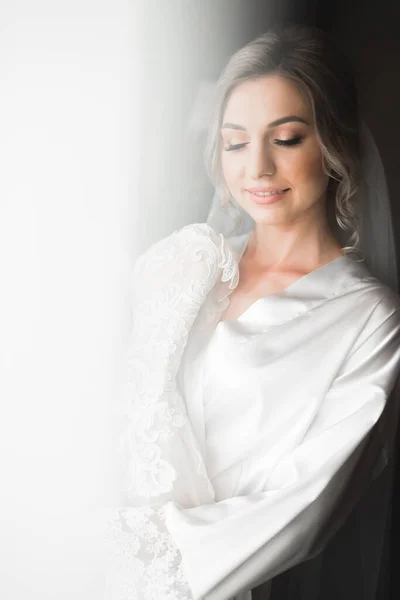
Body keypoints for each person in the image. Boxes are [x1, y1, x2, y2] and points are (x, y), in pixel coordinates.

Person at [107, 25, 400, 600]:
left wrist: (120, 562)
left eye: (286, 139)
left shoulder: (369, 321)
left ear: (333, 144)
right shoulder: (181, 263)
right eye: (235, 142)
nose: (258, 168)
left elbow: (303, 512)